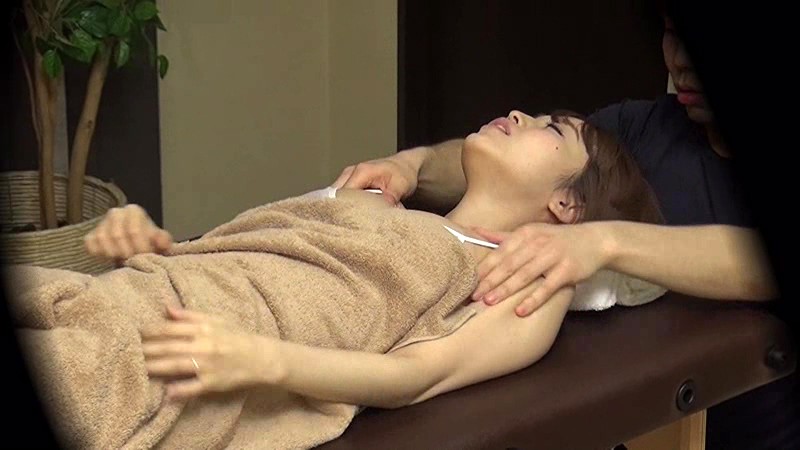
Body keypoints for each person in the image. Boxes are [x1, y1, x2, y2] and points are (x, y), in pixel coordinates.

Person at [11, 110, 661, 449]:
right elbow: (246, 250)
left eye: (551, 128)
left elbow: (415, 376)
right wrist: (151, 245)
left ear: (567, 205)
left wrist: (262, 359)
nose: (518, 113)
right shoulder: (373, 200)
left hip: (176, 359)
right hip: (125, 296)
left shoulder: (520, 282)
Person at [332, 14, 795, 450]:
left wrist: (602, 242)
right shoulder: (642, 128)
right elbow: (531, 159)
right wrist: (414, 164)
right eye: (673, 34)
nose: (679, 60)